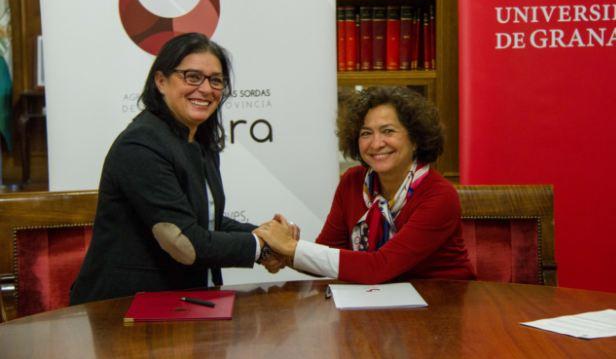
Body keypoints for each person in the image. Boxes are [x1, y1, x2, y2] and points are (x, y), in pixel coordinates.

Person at [70, 33, 283, 305]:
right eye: (192, 76)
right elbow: (184, 242)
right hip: (125, 311)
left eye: (216, 80)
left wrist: (265, 233)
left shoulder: (197, 140)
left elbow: (204, 219)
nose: (206, 89)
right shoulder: (141, 144)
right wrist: (262, 247)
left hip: (185, 303)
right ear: (161, 81)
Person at [255, 87, 476, 284]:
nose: (376, 143)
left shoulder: (439, 195)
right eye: (366, 133)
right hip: (380, 307)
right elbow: (328, 255)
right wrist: (282, 253)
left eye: (388, 131)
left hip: (441, 306)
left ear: (415, 139)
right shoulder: (353, 181)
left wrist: (291, 248)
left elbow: (379, 267)